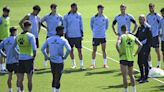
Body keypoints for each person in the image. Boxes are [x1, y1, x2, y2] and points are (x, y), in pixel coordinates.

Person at [41, 26, 71, 92]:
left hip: (52, 61)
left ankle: (53, 90)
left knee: (54, 76)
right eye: (63, 31)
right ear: (59, 31)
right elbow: (69, 49)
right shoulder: (63, 40)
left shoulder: (49, 39)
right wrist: (65, 57)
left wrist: (46, 56)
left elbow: (42, 49)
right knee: (58, 77)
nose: (63, 32)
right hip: (60, 61)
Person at [116, 25, 142, 92]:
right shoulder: (133, 37)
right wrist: (135, 53)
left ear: (121, 30)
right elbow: (140, 45)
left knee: (124, 76)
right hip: (131, 58)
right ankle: (134, 90)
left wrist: (120, 52)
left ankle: (126, 91)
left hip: (124, 58)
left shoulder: (121, 36)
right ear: (127, 29)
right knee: (131, 75)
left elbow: (117, 44)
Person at [14, 20, 36, 92]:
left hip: (20, 59)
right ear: (29, 26)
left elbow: (13, 47)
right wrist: (33, 57)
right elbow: (34, 49)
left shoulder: (18, 36)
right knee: (29, 79)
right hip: (29, 59)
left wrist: (19, 53)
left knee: (20, 79)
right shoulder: (30, 36)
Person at [63, 3, 84, 69]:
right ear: (72, 8)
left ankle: (81, 64)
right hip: (70, 36)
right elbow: (65, 26)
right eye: (75, 7)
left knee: (79, 50)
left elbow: (81, 25)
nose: (77, 8)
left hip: (78, 35)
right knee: (71, 50)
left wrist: (82, 34)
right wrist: (65, 34)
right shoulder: (66, 16)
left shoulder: (79, 15)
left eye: (77, 7)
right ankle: (74, 64)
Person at [0, 27, 20, 92]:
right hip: (16, 61)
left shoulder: (5, 40)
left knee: (9, 77)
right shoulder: (16, 39)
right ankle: (18, 89)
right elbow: (16, 50)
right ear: (14, 32)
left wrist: (3, 54)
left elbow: (0, 48)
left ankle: (10, 90)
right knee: (19, 77)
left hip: (8, 62)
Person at [135, 14, 152, 83]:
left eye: (141, 19)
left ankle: (146, 77)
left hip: (146, 47)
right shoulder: (139, 27)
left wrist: (141, 42)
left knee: (145, 62)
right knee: (139, 62)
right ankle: (142, 76)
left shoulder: (148, 27)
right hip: (140, 47)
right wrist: (129, 34)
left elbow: (149, 38)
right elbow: (136, 35)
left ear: (144, 19)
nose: (140, 21)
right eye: (139, 19)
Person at [146, 3, 162, 68]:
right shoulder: (148, 16)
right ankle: (150, 65)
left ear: (154, 7)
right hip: (149, 36)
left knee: (157, 50)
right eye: (150, 7)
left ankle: (158, 64)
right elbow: (147, 24)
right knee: (148, 50)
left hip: (155, 35)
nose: (151, 8)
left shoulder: (157, 15)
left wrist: (159, 32)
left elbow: (161, 23)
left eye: (152, 7)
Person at [0, 6, 10, 73]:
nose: (8, 13)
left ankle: (4, 68)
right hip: (1, 39)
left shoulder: (8, 18)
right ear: (3, 12)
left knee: (6, 54)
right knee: (1, 54)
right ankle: (1, 68)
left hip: (7, 39)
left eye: (8, 12)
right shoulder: (0, 19)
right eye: (6, 12)